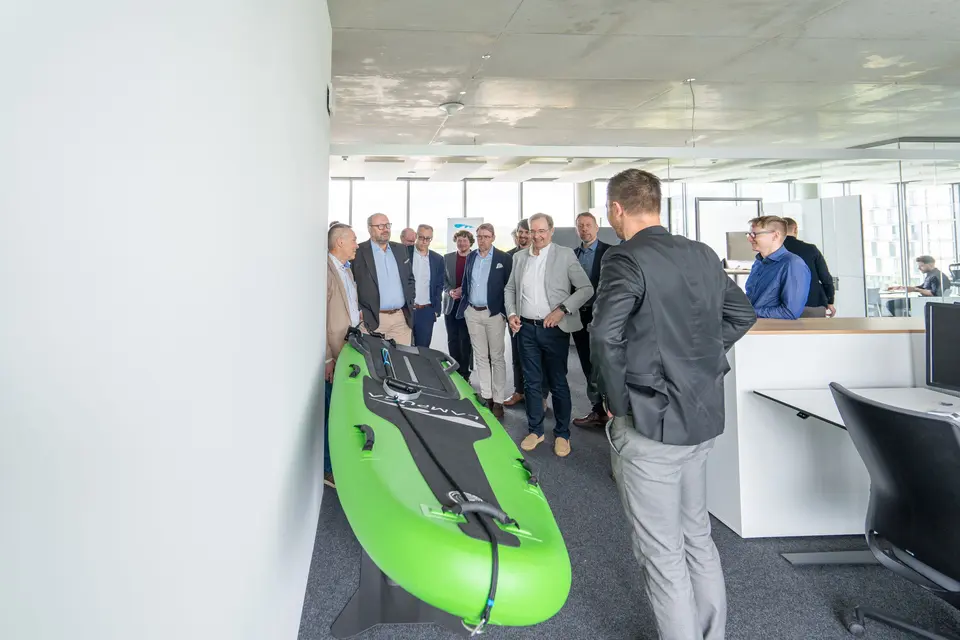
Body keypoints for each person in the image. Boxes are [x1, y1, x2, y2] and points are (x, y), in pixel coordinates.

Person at [590, 168, 757, 640]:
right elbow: (742, 314)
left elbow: (605, 335)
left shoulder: (624, 258)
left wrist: (617, 401)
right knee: (697, 538)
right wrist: (698, 361)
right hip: (699, 417)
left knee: (662, 555)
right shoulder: (701, 253)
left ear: (617, 209)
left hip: (650, 422)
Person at [505, 213, 593, 458]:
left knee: (558, 382)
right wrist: (512, 313)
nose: (537, 236)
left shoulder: (564, 255)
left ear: (551, 231)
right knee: (531, 382)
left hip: (554, 330)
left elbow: (586, 288)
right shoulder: (520, 257)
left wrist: (562, 310)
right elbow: (510, 288)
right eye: (533, 231)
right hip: (526, 329)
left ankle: (562, 433)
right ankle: (536, 430)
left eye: (542, 231)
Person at [456, 223, 513, 419]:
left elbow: (509, 287)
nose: (482, 240)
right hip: (473, 312)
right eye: (479, 236)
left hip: (493, 314)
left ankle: (498, 400)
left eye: (486, 236)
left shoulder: (504, 259)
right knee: (480, 356)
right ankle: (487, 395)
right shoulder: (471, 257)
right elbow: (466, 283)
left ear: (493, 237)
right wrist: (465, 308)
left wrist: (505, 313)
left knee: (496, 357)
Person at [324, 223, 361, 489]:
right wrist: (328, 358)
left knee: (342, 407)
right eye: (353, 240)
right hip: (333, 351)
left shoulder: (346, 270)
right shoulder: (326, 271)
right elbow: (321, 317)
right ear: (339, 242)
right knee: (329, 411)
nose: (356, 245)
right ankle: (328, 469)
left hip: (348, 346)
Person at [570, 212, 612, 429]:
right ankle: (597, 410)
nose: (584, 229)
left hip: (602, 318)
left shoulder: (610, 253)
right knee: (587, 364)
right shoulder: (573, 255)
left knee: (605, 365)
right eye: (580, 226)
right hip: (579, 315)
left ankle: (613, 411)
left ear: (597, 227)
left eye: (588, 225)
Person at [350, 213, 415, 344]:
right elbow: (351, 283)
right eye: (380, 226)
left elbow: (409, 279)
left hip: (400, 320)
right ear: (369, 228)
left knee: (400, 361)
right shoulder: (359, 251)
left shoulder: (401, 249)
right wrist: (358, 310)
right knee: (374, 363)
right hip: (372, 319)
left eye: (387, 225)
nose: (385, 229)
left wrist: (410, 301)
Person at [744, 215, 811, 320]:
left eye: (754, 234)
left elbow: (790, 312)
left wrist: (748, 313)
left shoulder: (793, 264)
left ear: (775, 236)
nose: (749, 238)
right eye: (749, 234)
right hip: (755, 328)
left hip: (773, 332)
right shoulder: (759, 263)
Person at [782, 217, 836, 318]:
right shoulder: (810, 249)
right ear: (795, 230)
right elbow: (825, 277)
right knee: (814, 332)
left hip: (781, 306)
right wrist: (830, 301)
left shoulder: (772, 251)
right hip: (812, 303)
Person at [505, 219, 532, 407]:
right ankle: (519, 391)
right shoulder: (508, 257)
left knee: (536, 358)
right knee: (516, 355)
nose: (522, 236)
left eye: (526, 232)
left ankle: (539, 396)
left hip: (535, 316)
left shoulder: (538, 255)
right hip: (514, 316)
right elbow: (506, 288)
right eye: (520, 232)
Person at [443, 229, 475, 381]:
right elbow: (442, 280)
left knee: (465, 339)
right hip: (451, 303)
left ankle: (465, 372)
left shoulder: (476, 258)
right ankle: (454, 368)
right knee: (452, 338)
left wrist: (464, 291)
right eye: (459, 240)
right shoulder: (447, 258)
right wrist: (450, 291)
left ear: (470, 242)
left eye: (465, 240)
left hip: (467, 305)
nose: (462, 243)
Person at [411, 224, 444, 347]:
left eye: (427, 238)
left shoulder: (437, 259)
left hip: (426, 311)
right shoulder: (404, 253)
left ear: (431, 239)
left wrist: (435, 310)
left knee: (423, 350)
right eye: (421, 237)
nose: (424, 241)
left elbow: (439, 286)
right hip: (406, 310)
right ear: (416, 236)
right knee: (401, 349)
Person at [885, 255, 952, 317]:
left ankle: (908, 322)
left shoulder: (936, 276)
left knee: (891, 304)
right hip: (924, 300)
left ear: (930, 264)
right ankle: (908, 321)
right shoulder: (932, 274)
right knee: (892, 304)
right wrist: (900, 287)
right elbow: (922, 287)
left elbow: (933, 293)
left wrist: (916, 290)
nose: (919, 268)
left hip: (927, 301)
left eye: (921, 266)